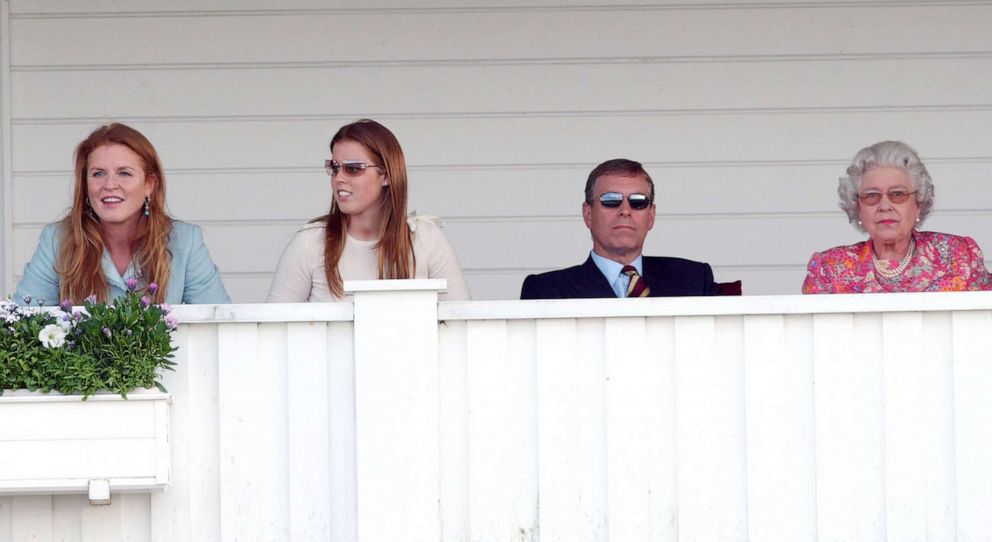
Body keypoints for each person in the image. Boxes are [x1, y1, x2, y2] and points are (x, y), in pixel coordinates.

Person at [15, 123, 230, 305]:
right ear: (85, 184)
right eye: (98, 173)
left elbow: (220, 325)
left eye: (124, 173)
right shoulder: (57, 239)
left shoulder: (185, 241)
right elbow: (23, 324)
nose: (110, 185)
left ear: (149, 184)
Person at [266, 119, 470, 302]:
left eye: (353, 168)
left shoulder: (426, 239)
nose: (339, 178)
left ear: (387, 175)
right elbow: (273, 330)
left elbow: (462, 325)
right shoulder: (311, 242)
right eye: (334, 168)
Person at [802, 140, 992, 293]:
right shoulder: (830, 268)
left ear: (918, 203)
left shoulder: (957, 257)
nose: (884, 206)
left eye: (898, 194)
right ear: (858, 208)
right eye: (871, 196)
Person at [520, 158, 719, 299]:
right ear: (588, 214)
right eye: (611, 200)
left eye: (638, 202)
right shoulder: (546, 290)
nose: (625, 210)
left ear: (650, 216)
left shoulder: (693, 279)